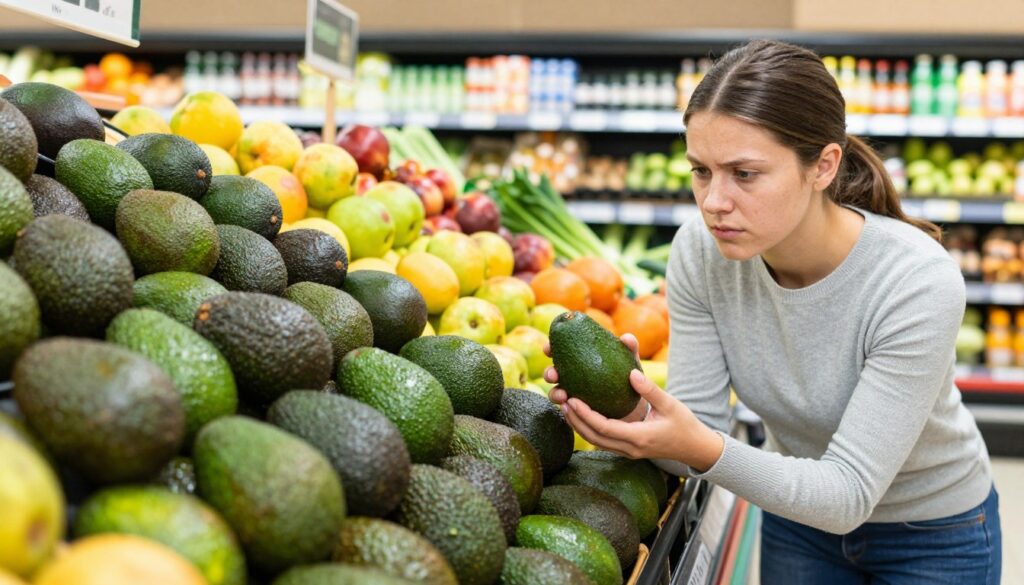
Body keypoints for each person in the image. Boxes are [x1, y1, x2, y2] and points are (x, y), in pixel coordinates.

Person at [544, 40, 1001, 584]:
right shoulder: (699, 252)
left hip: (935, 533)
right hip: (795, 517)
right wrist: (635, 415)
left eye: (745, 173)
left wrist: (701, 446)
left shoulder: (914, 279)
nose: (714, 201)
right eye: (700, 171)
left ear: (823, 167)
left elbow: (846, 494)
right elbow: (698, 433)